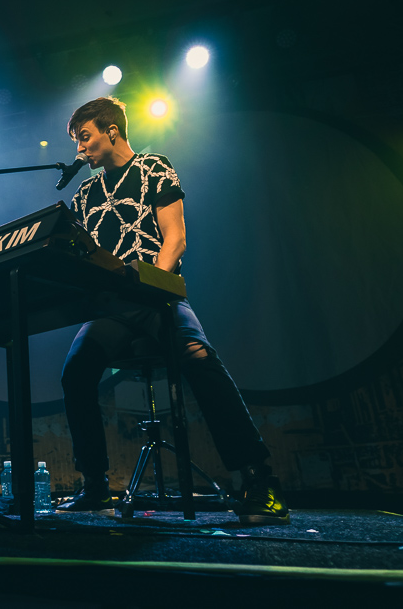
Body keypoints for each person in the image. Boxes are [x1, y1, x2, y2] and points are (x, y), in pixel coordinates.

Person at [56, 97, 289, 525]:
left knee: (199, 358)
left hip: (157, 293)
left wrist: (154, 287)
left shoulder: (153, 167)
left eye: (84, 137)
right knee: (76, 370)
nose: (79, 150)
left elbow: (175, 239)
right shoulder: (85, 193)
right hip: (112, 305)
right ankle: (94, 485)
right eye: (76, 142)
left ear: (112, 130)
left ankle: (260, 481)